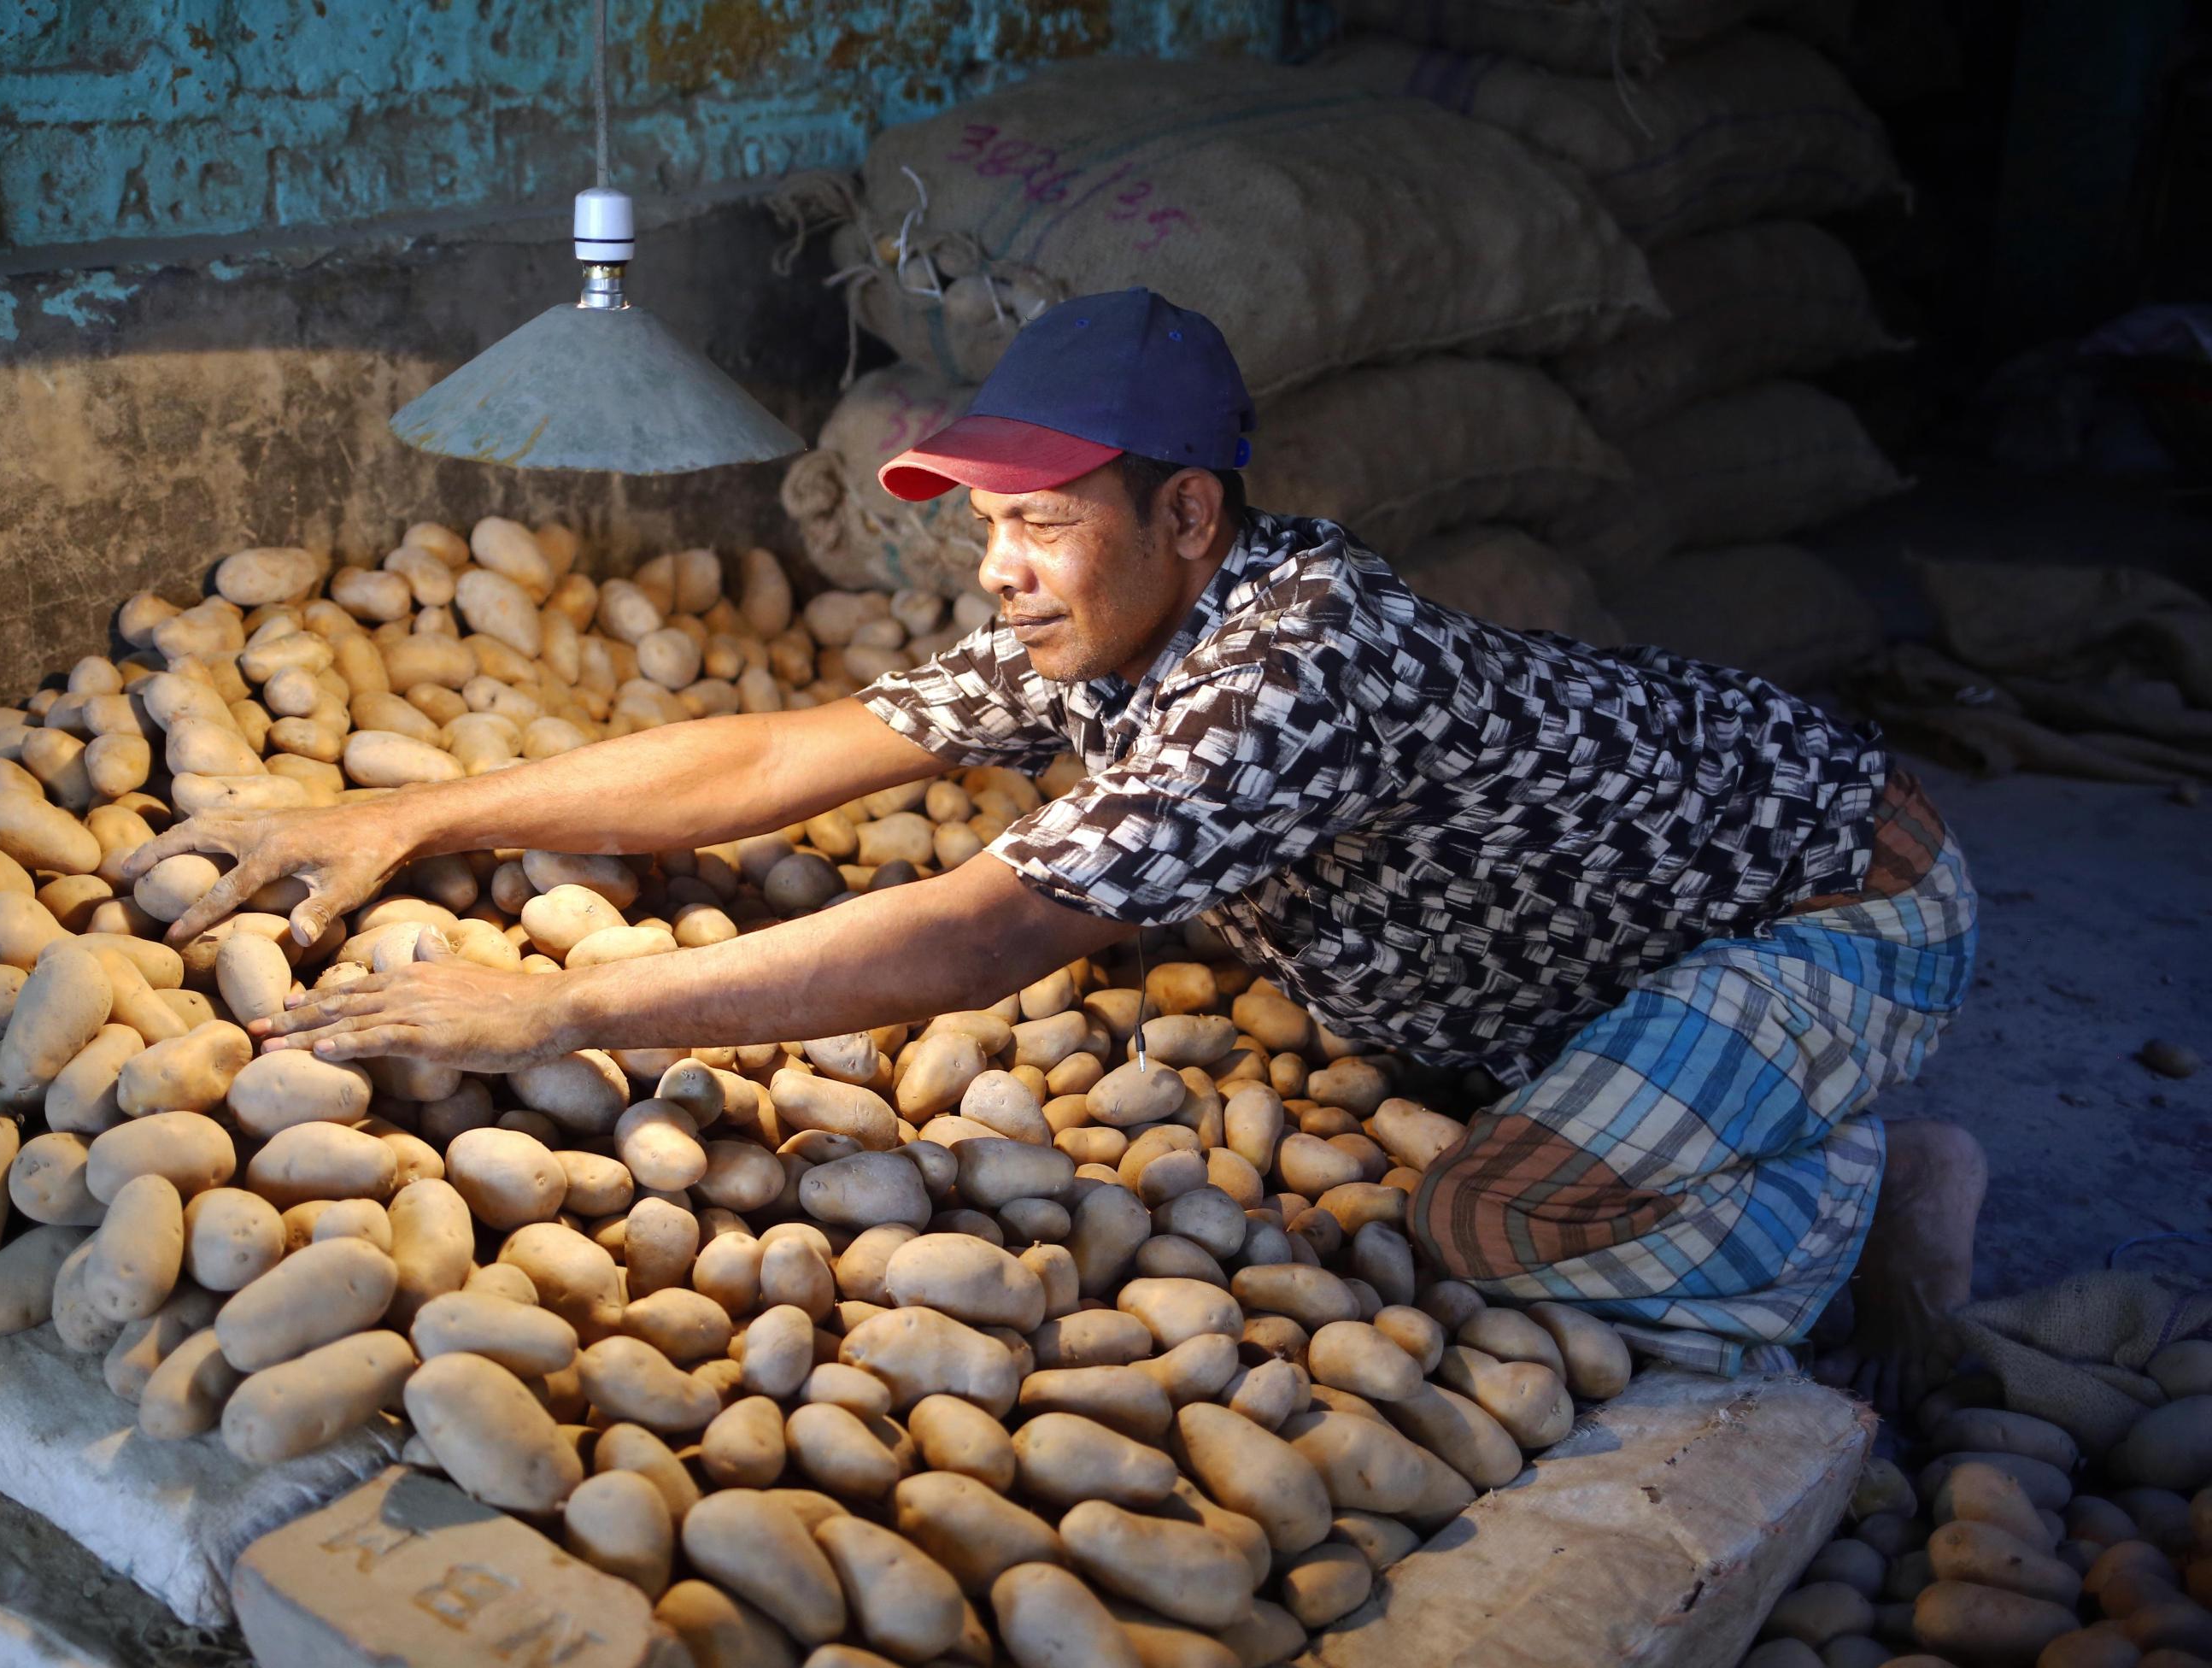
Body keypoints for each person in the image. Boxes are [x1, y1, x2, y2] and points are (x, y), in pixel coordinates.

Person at [126, 287, 1984, 1406]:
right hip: (1601, 932)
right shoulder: (1102, 635)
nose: (996, 567)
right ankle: (1731, 1118)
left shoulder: (1294, 655)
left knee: (1481, 1223)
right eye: (984, 523)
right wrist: (413, 812)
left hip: (1830, 892)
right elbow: (789, 748)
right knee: (1452, 1109)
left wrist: (550, 1021)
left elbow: (978, 936)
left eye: (1039, 521)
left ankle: (1874, 1198)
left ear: (1187, 514)